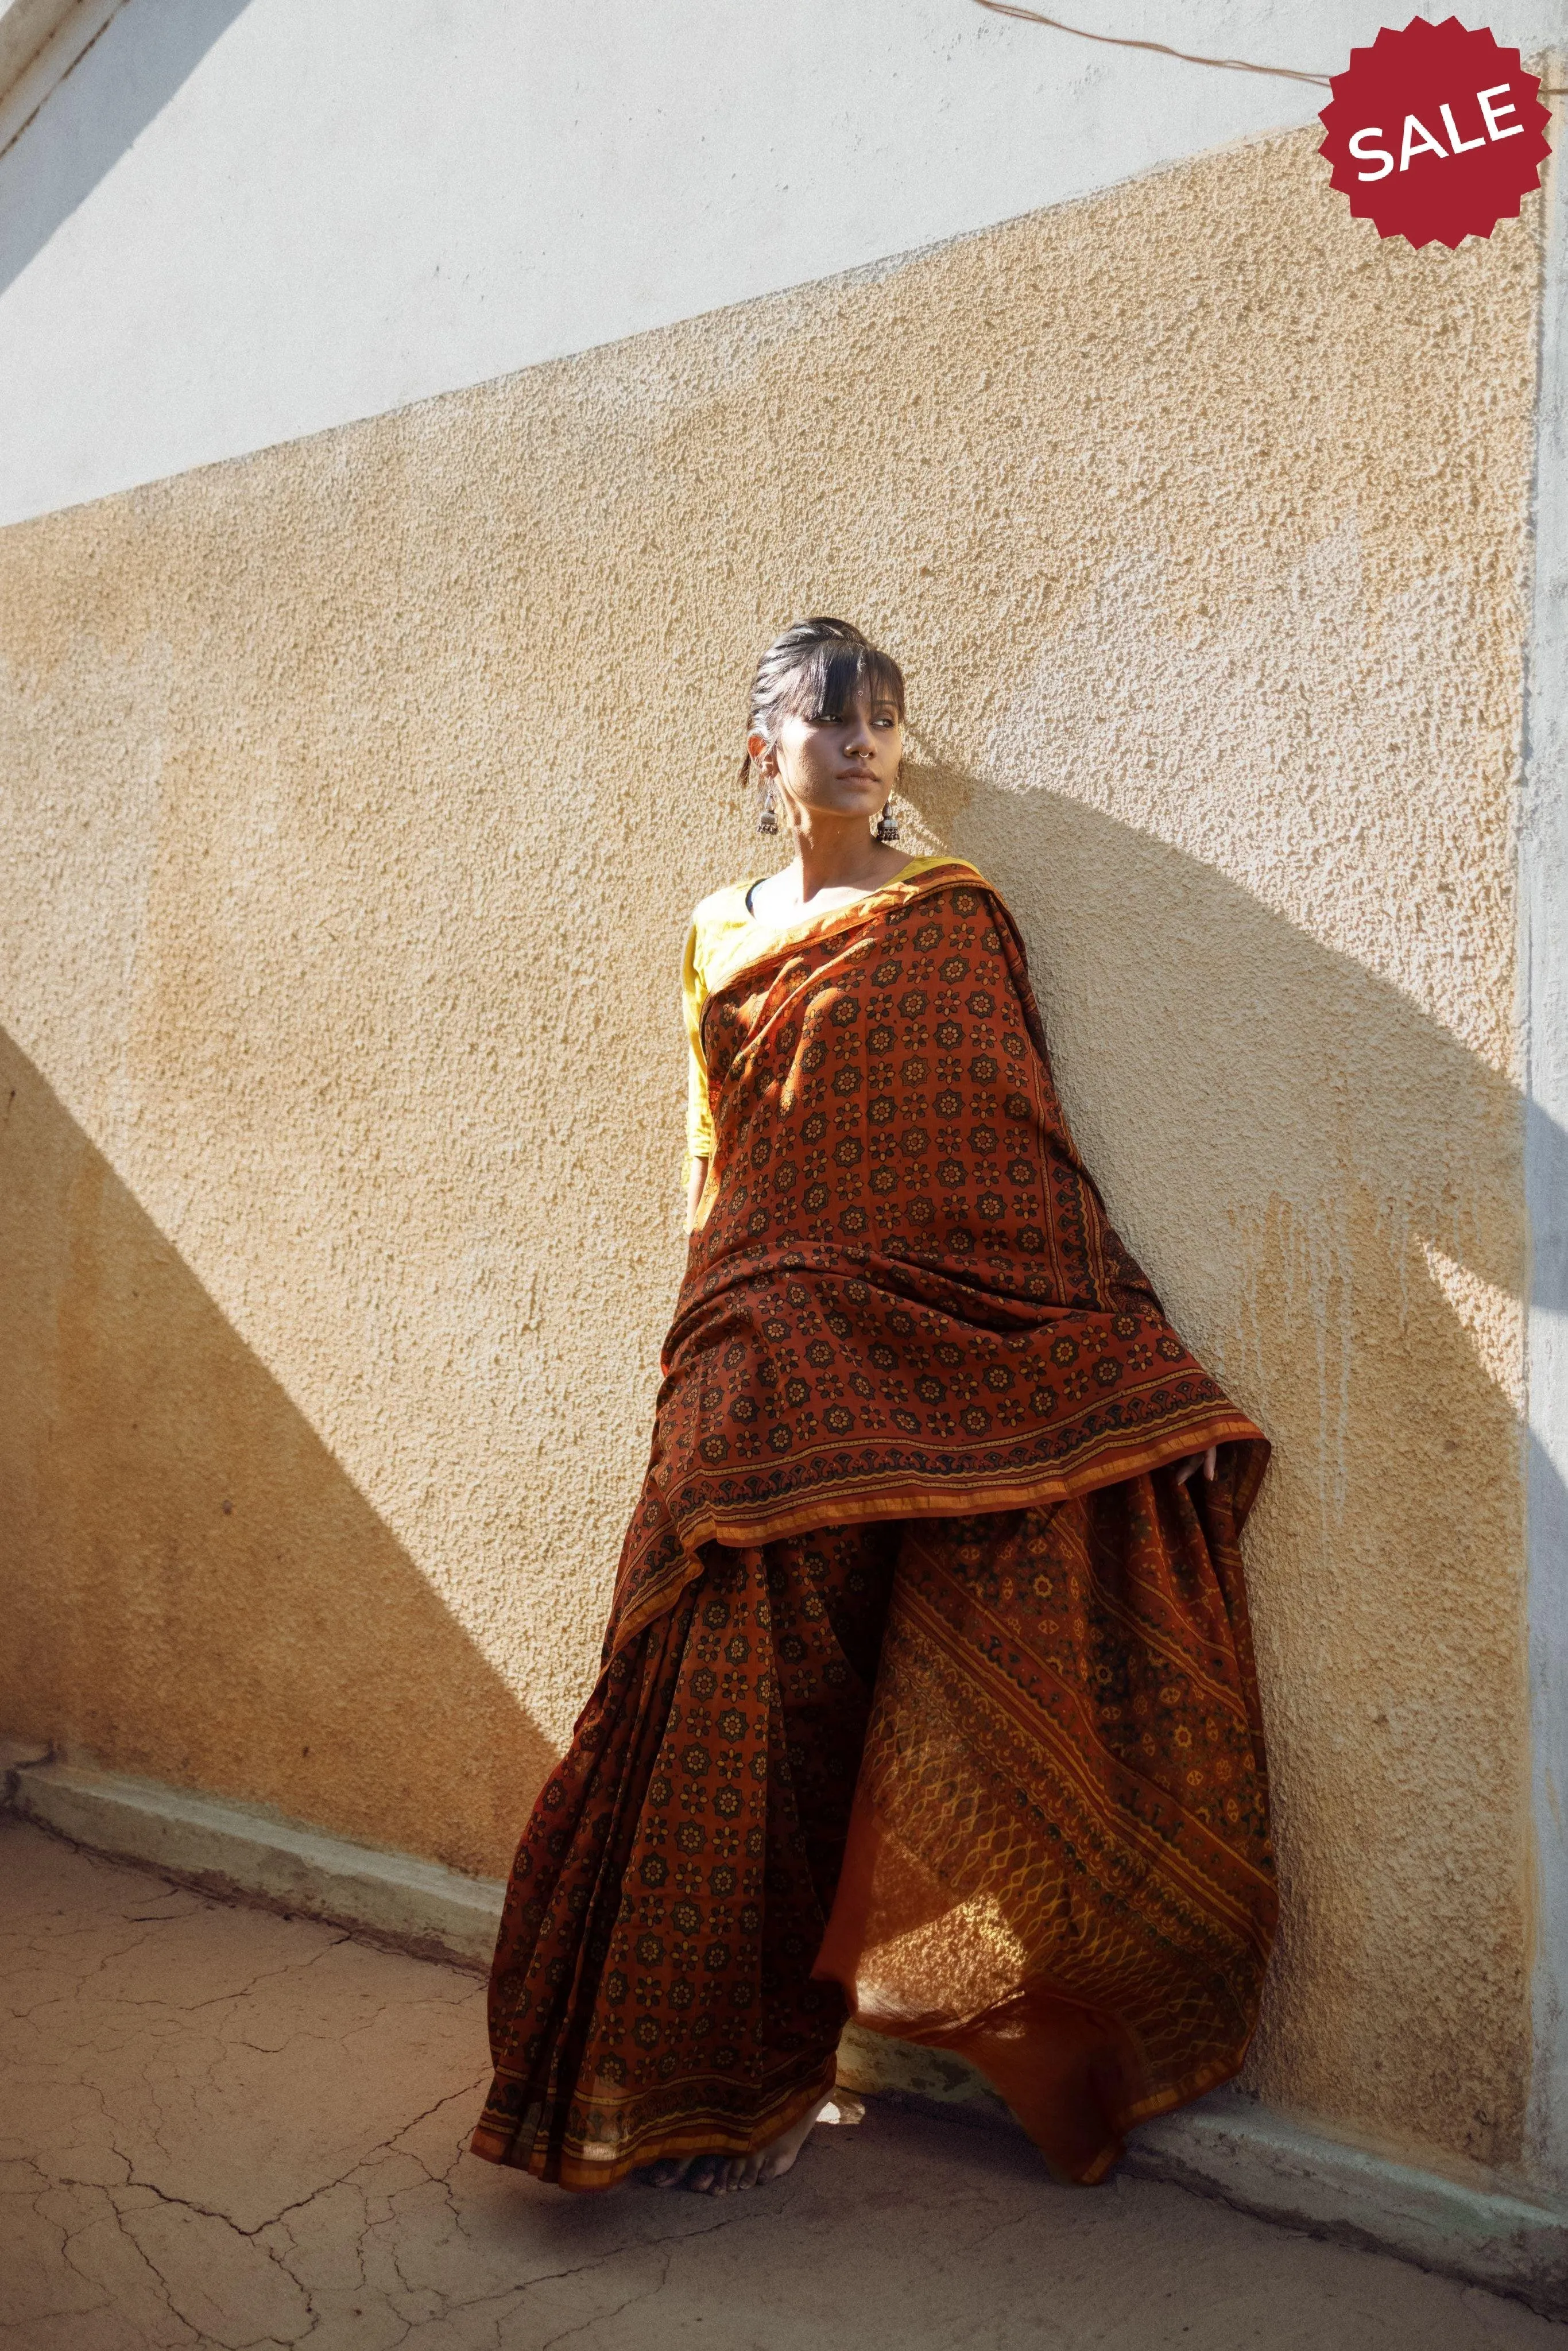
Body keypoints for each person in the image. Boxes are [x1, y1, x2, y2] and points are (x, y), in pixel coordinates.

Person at [471, 618, 1275, 2197]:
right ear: (759, 744)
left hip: (912, 1347)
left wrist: (1087, 1324)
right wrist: (706, 1328)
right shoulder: (717, 931)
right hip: (759, 1351)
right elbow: (714, 1156)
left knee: (874, 1699)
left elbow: (996, 1135)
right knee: (722, 1688)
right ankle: (705, 2079)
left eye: (883, 720)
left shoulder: (950, 917)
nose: (859, 743)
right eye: (825, 717)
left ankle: (880, 2048)